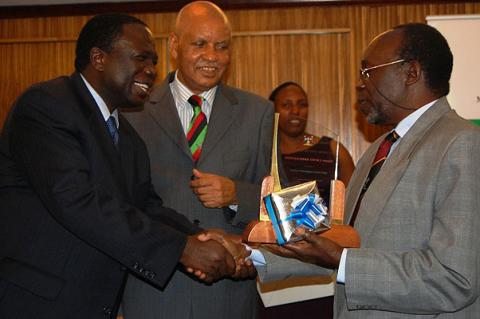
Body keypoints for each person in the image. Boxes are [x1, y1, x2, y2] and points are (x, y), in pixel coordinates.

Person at [0, 13, 251, 319]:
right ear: (99, 58)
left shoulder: (127, 136)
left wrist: (204, 236)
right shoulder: (47, 105)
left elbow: (145, 206)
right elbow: (77, 201)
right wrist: (182, 249)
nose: (151, 71)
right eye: (141, 58)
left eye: (154, 62)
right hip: (36, 303)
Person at [257, 23, 480, 318]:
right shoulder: (378, 149)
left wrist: (343, 261)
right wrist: (254, 256)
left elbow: (454, 279)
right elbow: (341, 243)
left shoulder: (462, 144)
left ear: (410, 73)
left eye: (368, 71)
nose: (361, 84)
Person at [121, 2, 273, 319]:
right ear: (175, 45)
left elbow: (278, 203)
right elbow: (117, 203)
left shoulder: (257, 112)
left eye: (222, 47)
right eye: (199, 44)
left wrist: (237, 195)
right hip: (151, 291)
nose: (212, 56)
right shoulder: (133, 110)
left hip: (227, 295)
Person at [269, 82, 355, 204]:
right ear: (272, 109)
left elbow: (353, 201)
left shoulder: (333, 150)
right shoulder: (264, 152)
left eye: (302, 104)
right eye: (286, 105)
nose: (295, 111)